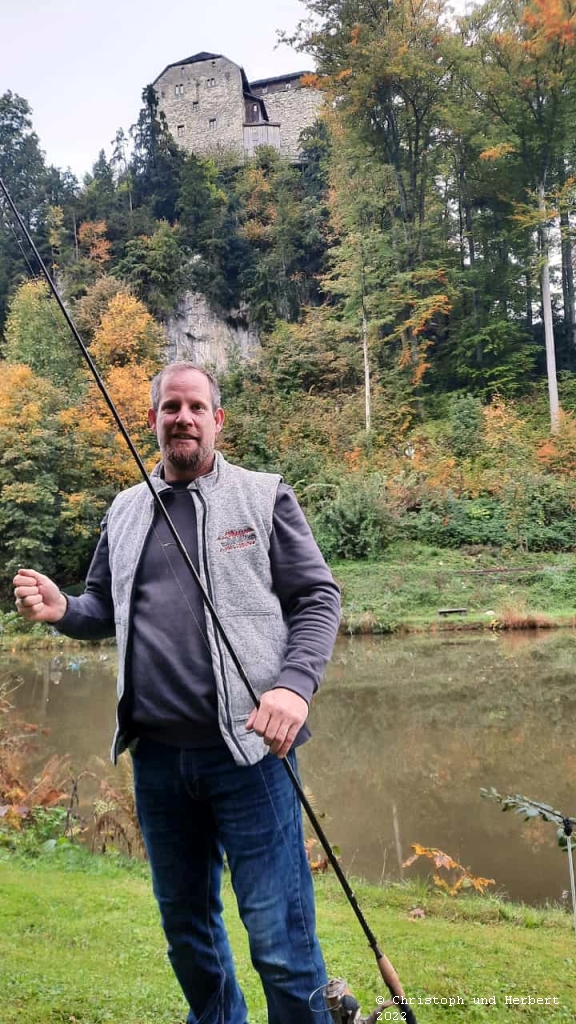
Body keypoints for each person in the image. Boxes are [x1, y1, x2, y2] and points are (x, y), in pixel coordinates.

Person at [13, 361, 341, 1024]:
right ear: (153, 419)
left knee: (280, 941)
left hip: (252, 755)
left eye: (196, 408)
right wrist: (63, 609)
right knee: (189, 937)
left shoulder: (263, 496)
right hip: (158, 763)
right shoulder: (125, 509)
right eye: (170, 407)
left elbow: (317, 597)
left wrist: (294, 687)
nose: (183, 418)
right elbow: (105, 606)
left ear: (217, 420)